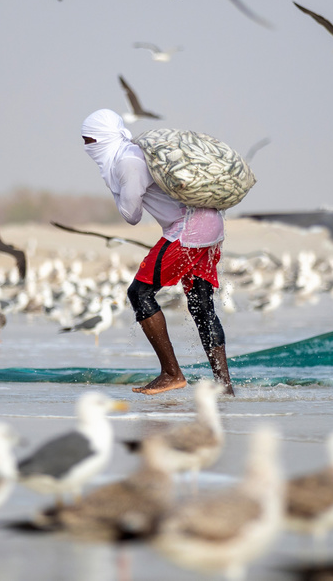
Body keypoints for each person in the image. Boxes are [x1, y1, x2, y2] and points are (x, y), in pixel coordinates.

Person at [81, 109, 233, 396]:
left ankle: (171, 373)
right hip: (212, 224)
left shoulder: (127, 161)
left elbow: (131, 215)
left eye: (90, 140)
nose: (88, 147)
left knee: (139, 293)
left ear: (103, 138)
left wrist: (116, 191)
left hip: (189, 228)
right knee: (201, 304)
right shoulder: (136, 153)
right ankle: (224, 386)